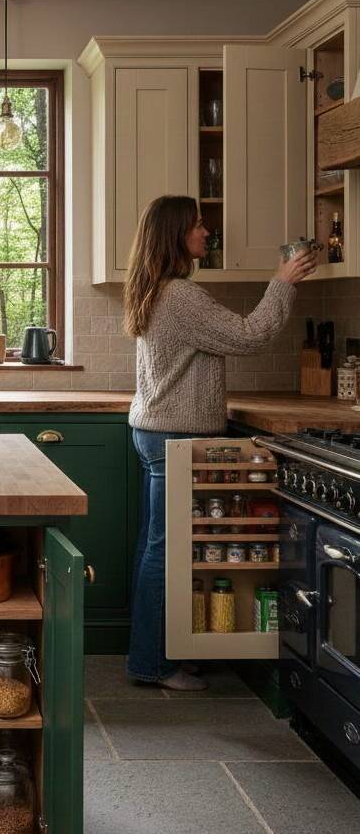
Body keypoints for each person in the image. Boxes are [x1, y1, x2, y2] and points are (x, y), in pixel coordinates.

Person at [123, 195, 315, 690]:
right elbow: (251, 334)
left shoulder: (156, 289)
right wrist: (283, 281)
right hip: (175, 434)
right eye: (198, 226)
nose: (207, 233)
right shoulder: (182, 297)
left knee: (153, 547)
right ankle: (154, 665)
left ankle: (152, 657)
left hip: (154, 430)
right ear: (176, 235)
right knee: (164, 552)